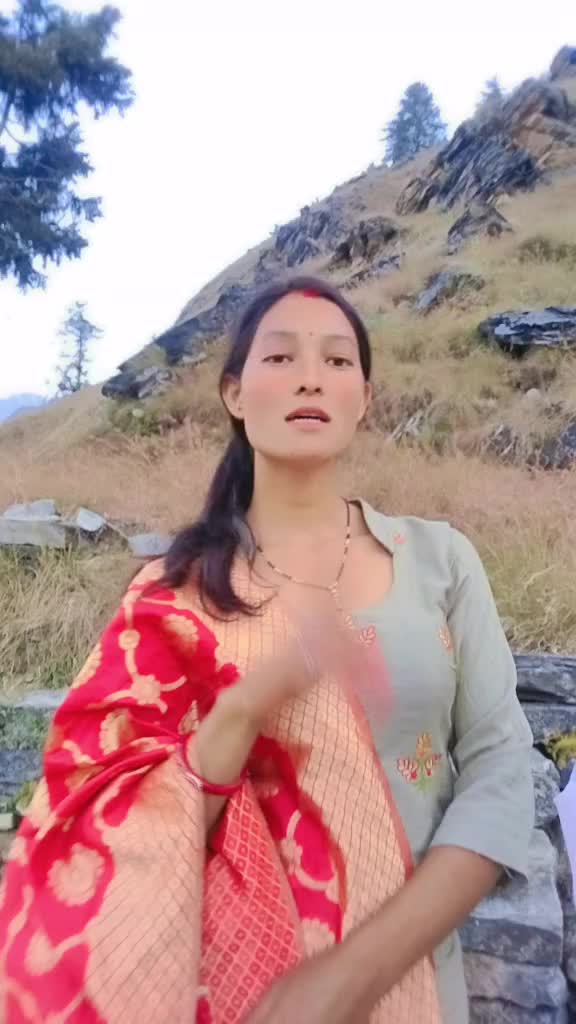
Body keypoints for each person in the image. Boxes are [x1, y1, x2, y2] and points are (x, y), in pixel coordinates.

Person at [0, 276, 534, 1024]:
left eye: (337, 361)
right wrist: (246, 708)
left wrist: (350, 976)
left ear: (364, 399)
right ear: (234, 394)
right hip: (240, 993)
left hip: (415, 985)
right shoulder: (176, 594)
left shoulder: (440, 559)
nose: (311, 377)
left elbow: (501, 770)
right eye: (281, 358)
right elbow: (104, 825)